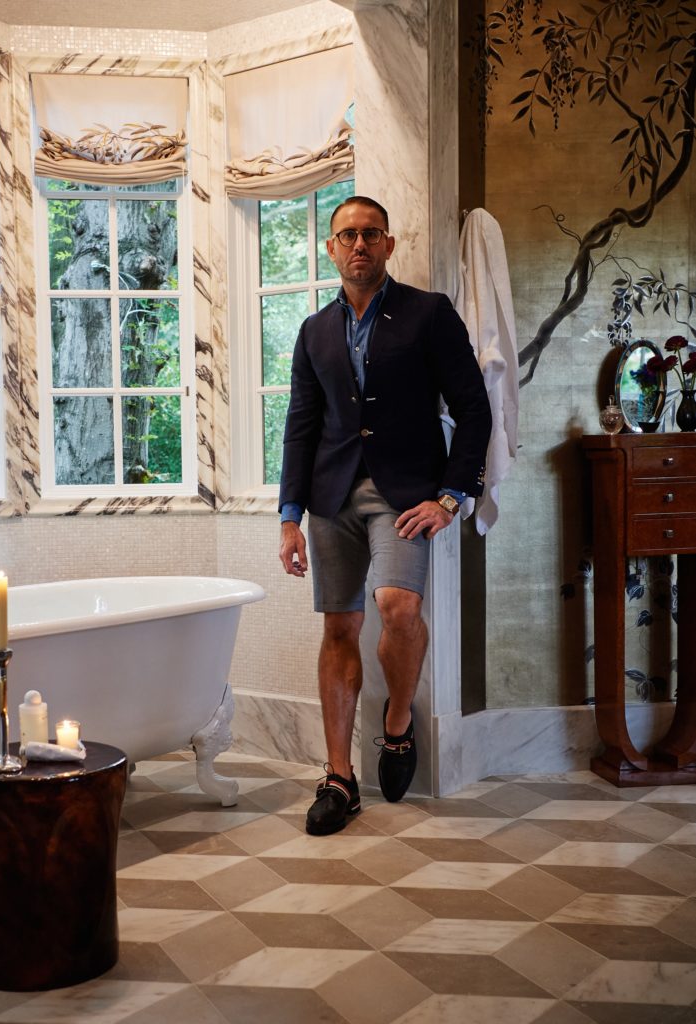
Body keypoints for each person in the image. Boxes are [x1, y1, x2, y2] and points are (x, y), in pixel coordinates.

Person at [278, 195, 492, 836]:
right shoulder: (314, 330)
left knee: (399, 608)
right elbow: (300, 425)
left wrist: (452, 496)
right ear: (331, 249)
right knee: (339, 628)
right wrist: (290, 515)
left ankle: (397, 724)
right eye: (347, 235)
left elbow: (474, 409)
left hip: (404, 496)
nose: (359, 245)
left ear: (389, 245)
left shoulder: (428, 313)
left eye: (371, 233)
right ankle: (340, 777)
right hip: (330, 496)